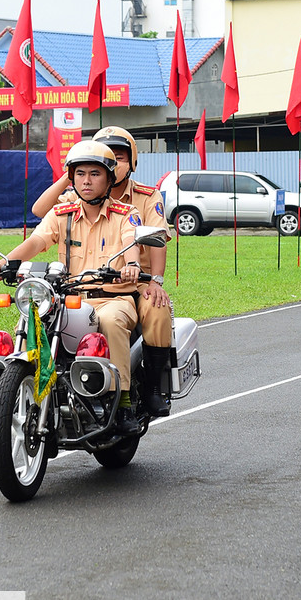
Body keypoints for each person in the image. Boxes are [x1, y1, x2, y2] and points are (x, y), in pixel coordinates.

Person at [0, 140, 143, 434]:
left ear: (109, 178)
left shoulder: (126, 213)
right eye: (80, 174)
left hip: (112, 299)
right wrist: (5, 262)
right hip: (69, 298)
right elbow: (37, 241)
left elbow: (131, 246)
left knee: (109, 321)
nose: (86, 180)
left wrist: (132, 267)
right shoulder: (63, 213)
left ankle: (122, 402)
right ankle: (16, 390)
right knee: (33, 318)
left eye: (95, 174)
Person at [31, 126, 174, 416]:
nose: (115, 161)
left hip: (134, 282)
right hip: (81, 283)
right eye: (109, 157)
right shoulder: (81, 194)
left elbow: (157, 241)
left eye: (120, 156)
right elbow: (39, 211)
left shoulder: (146, 197)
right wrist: (73, 173)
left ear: (131, 161)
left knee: (156, 308)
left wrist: (155, 280)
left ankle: (151, 388)